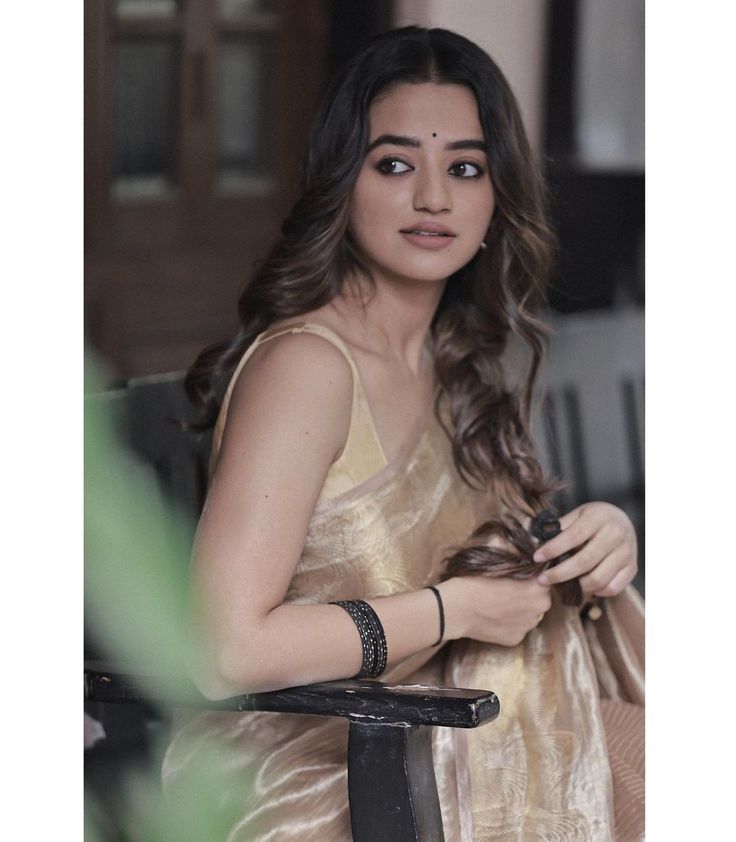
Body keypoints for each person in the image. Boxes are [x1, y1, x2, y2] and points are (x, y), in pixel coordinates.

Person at [163, 26, 644, 841]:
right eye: (394, 164)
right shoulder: (308, 368)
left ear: (498, 195)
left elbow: (504, 568)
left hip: (458, 727)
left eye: (464, 167)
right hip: (323, 766)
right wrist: (451, 609)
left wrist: (603, 542)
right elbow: (224, 650)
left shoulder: (454, 361)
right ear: (340, 183)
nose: (433, 199)